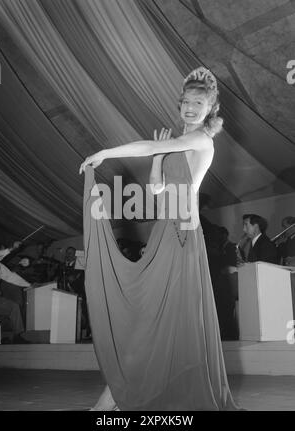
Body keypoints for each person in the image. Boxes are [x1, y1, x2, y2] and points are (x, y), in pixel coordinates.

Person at [80, 67, 240, 410]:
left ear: (211, 108)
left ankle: (107, 405)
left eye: (200, 102)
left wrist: (107, 153)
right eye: (186, 101)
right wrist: (157, 158)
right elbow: (157, 190)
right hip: (166, 233)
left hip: (183, 235)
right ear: (180, 104)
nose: (191, 107)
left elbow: (154, 147)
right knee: (151, 319)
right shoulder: (177, 144)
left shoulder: (200, 140)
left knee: (153, 320)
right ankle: (109, 403)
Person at [0, 244, 32, 344]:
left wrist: (29, 285)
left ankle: (17, 336)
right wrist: (12, 248)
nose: (5, 255)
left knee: (13, 307)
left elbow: (11, 277)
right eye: (1, 251)